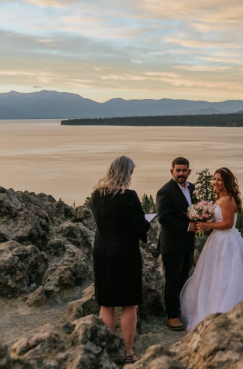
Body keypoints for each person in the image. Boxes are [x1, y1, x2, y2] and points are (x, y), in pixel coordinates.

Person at [179, 167, 243, 330]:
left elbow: (228, 224)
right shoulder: (222, 197)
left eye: (219, 179)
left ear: (226, 182)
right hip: (218, 241)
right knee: (214, 277)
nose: (215, 182)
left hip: (226, 242)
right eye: (215, 179)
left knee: (225, 277)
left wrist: (207, 225)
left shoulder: (227, 199)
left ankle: (222, 309)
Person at [90, 156, 150, 365]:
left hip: (101, 251)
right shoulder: (129, 197)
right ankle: (127, 352)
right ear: (127, 174)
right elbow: (141, 229)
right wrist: (147, 223)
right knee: (128, 304)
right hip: (125, 254)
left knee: (107, 304)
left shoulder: (96, 195)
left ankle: (108, 351)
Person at [156, 157, 198, 331]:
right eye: (178, 170)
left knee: (184, 279)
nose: (181, 173)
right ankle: (172, 315)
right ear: (172, 171)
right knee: (172, 281)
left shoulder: (192, 188)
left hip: (188, 244)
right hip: (172, 245)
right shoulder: (164, 192)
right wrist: (189, 226)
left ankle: (182, 310)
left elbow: (195, 209)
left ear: (189, 171)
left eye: (184, 170)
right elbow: (164, 218)